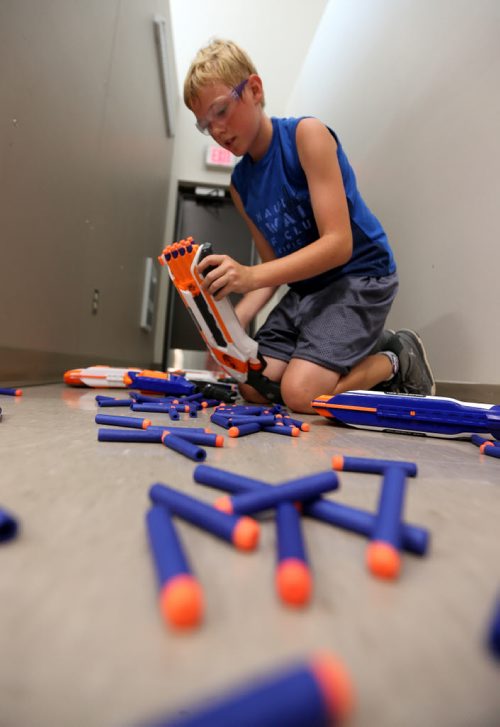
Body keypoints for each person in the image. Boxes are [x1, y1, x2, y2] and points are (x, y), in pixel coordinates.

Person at [183, 39, 434, 413]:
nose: (217, 129)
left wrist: (249, 275)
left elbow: (338, 245)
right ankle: (353, 345)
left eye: (221, 111)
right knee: (257, 386)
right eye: (206, 125)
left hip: (360, 277)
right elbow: (271, 271)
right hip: (307, 292)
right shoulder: (240, 185)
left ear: (254, 89)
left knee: (301, 395)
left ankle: (396, 357)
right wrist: (230, 329)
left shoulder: (307, 136)